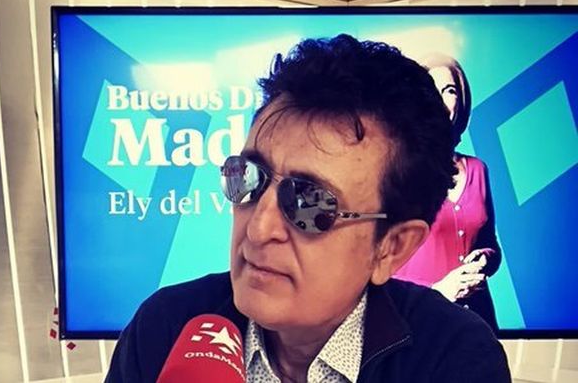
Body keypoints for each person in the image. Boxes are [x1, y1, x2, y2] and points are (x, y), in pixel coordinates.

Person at [106, 34, 511, 383]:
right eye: (247, 177)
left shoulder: (455, 357)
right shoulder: (163, 328)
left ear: (391, 247)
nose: (258, 228)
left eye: (309, 202)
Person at [393, 54, 502, 331]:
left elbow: (490, 244)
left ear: (461, 100)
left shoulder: (478, 169)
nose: (441, 100)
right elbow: (378, 261)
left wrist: (485, 258)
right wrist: (439, 291)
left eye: (450, 90)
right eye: (432, 90)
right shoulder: (397, 171)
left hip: (477, 321)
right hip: (419, 322)